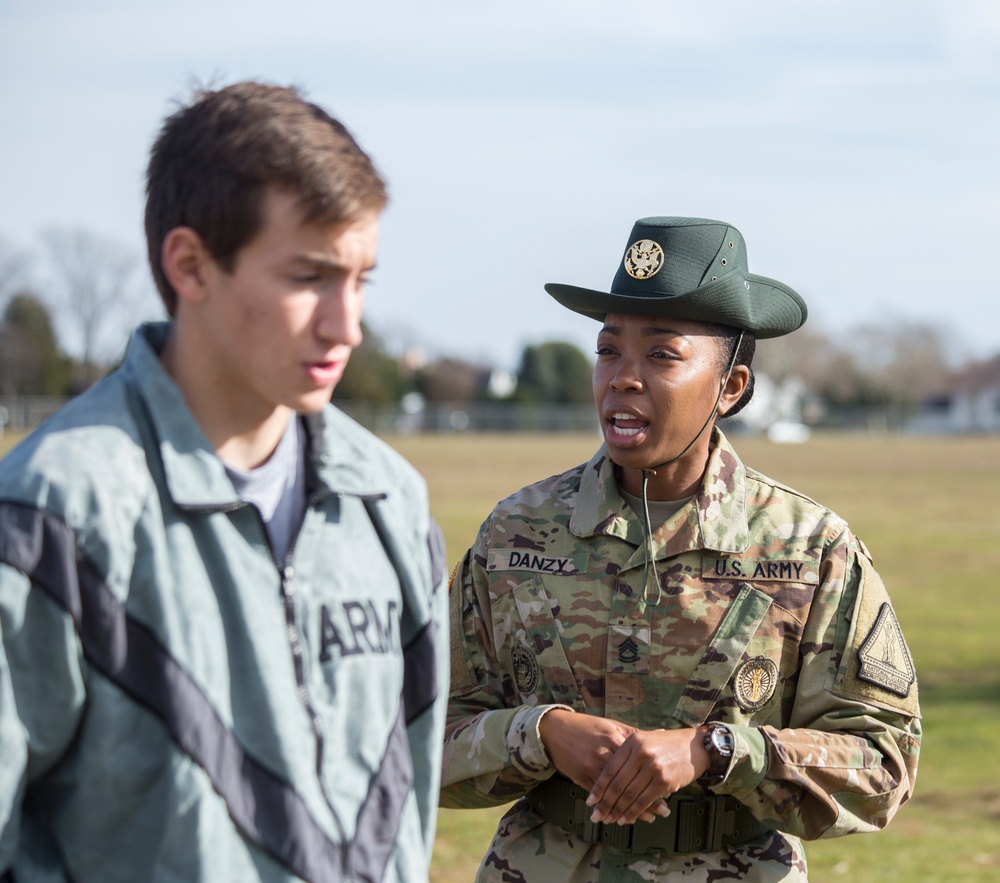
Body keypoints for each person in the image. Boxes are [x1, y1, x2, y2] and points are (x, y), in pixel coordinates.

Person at [0, 81, 449, 883]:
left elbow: (408, 816)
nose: (347, 325)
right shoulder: (55, 512)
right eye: (309, 275)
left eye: (362, 279)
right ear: (190, 264)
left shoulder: (391, 504)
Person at [441, 217, 920, 881]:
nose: (623, 378)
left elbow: (884, 763)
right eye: (609, 350)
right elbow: (417, 735)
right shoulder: (513, 533)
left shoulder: (811, 549)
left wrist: (719, 749)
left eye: (662, 355)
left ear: (731, 388)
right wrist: (540, 731)